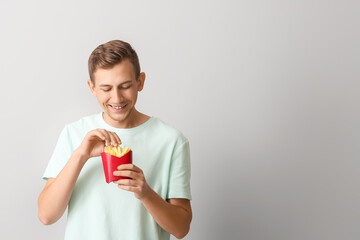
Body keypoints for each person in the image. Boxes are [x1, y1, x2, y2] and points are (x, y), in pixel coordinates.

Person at [38, 40, 192, 240]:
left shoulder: (171, 141)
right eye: (106, 89)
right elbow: (46, 216)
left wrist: (146, 193)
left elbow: (181, 229)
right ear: (92, 88)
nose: (117, 98)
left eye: (125, 86)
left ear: (140, 81)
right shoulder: (74, 134)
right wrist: (80, 155)